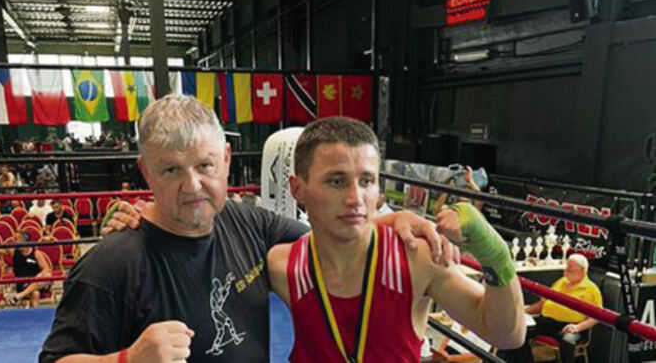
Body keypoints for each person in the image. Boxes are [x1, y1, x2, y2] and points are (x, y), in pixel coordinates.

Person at [40, 95, 455, 363]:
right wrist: (126, 361)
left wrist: (389, 220)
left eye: (204, 166)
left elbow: (332, 234)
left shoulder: (247, 221)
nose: (192, 186)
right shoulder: (113, 263)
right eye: (171, 170)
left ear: (225, 159)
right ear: (146, 172)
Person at [266, 117, 525, 362]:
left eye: (367, 181)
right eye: (337, 181)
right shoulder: (281, 265)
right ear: (298, 189)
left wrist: (495, 254)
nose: (356, 198)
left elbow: (507, 335)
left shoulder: (416, 257)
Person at [498, 254, 601, 363]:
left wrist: (578, 327)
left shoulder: (591, 290)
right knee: (518, 331)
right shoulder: (561, 281)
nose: (565, 272)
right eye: (566, 268)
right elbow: (543, 302)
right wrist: (525, 310)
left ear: (582, 270)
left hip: (570, 326)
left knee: (568, 341)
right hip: (546, 321)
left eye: (570, 269)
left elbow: (596, 316)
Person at [6, 231, 52, 308]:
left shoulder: (36, 253)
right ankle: (34, 317)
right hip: (22, 284)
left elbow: (47, 268)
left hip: (37, 282)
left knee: (47, 275)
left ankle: (18, 297)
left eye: (17, 239)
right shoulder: (13, 251)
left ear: (24, 240)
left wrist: (39, 275)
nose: (14, 241)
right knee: (35, 293)